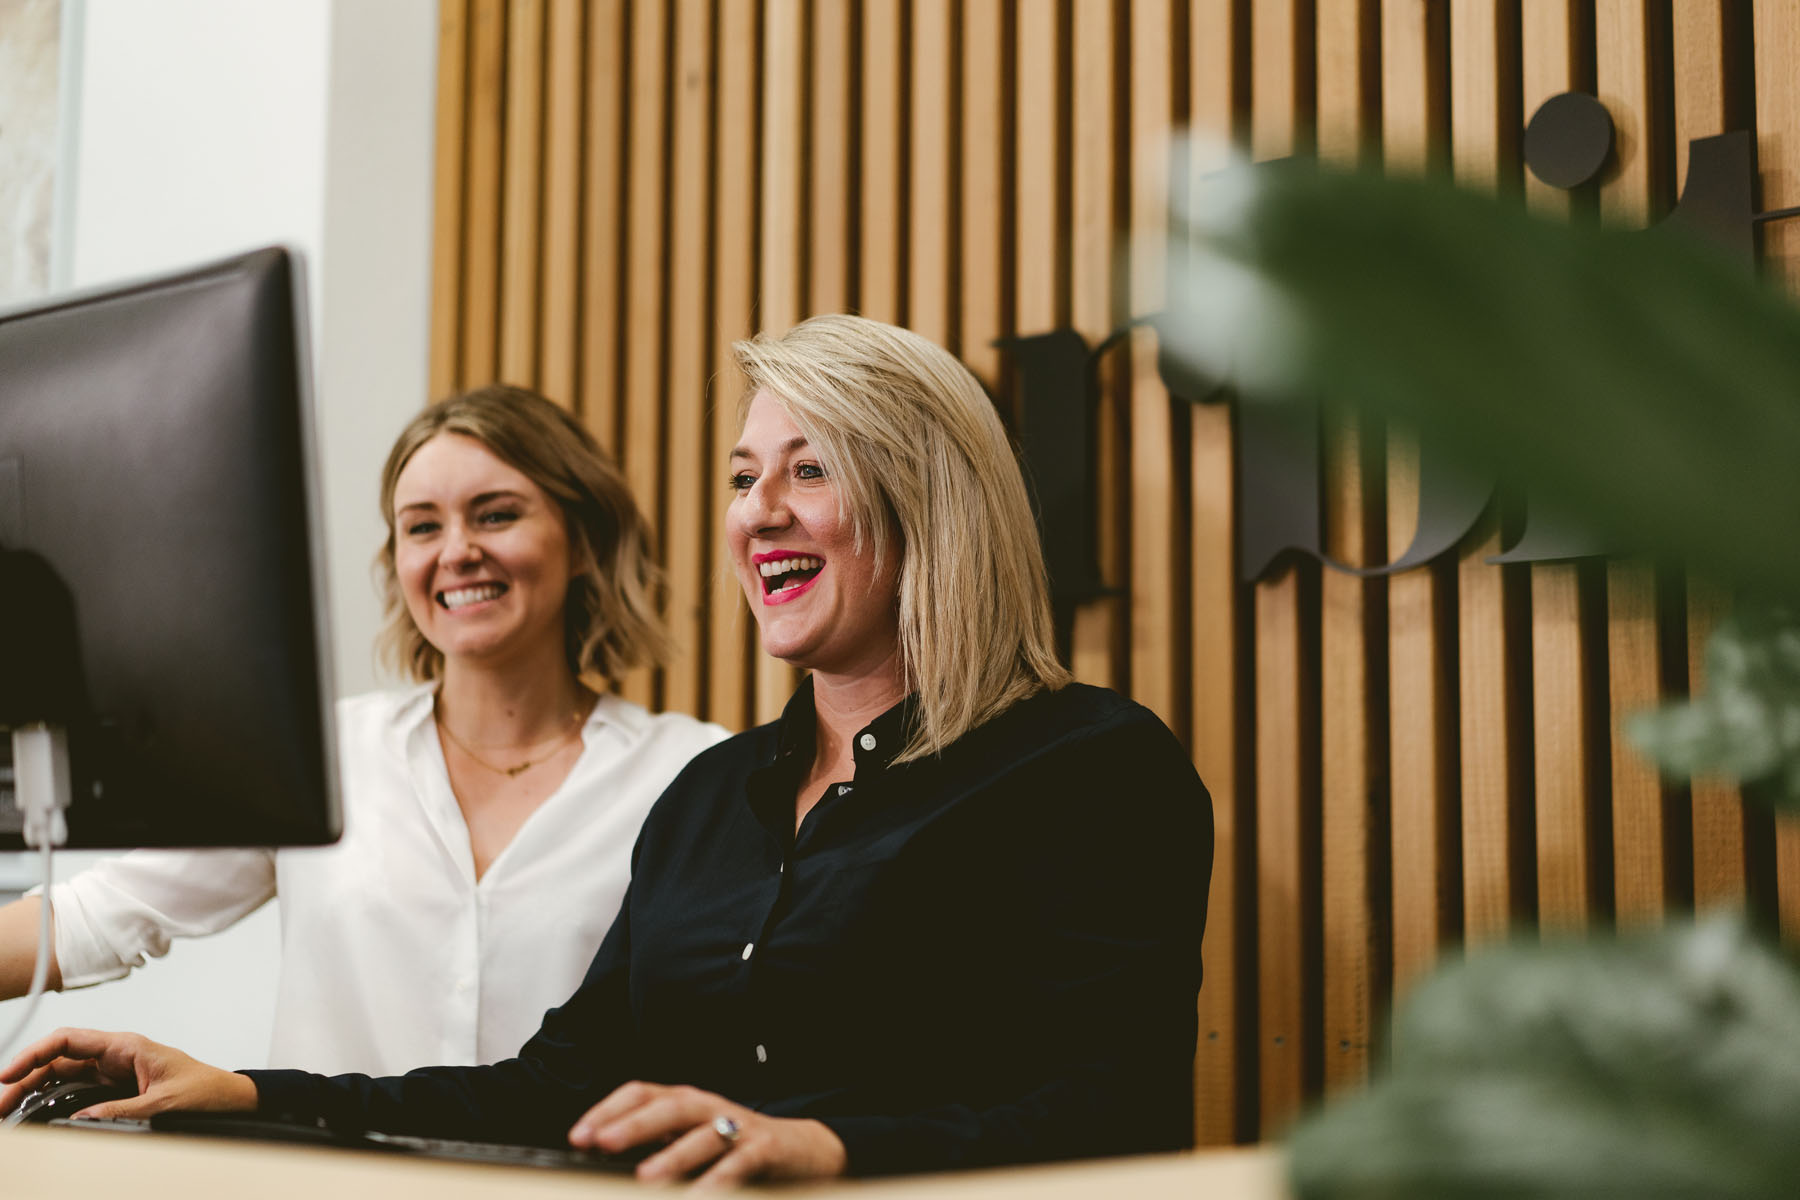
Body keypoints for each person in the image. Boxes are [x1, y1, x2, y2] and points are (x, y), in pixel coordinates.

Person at [0, 317, 1212, 1184]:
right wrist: (249, 1093)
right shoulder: (713, 797)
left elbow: (1115, 1106)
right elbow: (555, 1085)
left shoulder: (1086, 766)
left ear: (930, 497)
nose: (758, 511)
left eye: (808, 470)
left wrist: (829, 1149)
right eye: (743, 478)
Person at [0, 385, 726, 1074]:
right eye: (422, 526)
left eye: (496, 514)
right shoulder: (326, 756)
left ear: (586, 542)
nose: (456, 550)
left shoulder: (691, 773)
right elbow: (96, 917)